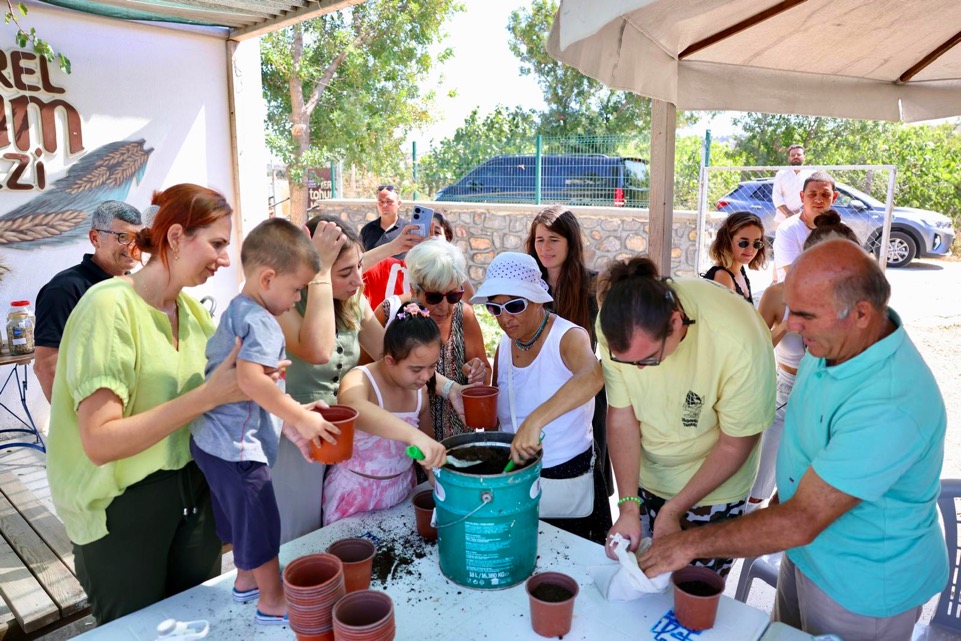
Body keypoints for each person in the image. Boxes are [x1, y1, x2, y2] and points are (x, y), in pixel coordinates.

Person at [639, 239, 948, 641]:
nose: (791, 325)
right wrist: (782, 503)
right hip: (807, 554)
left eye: (804, 315)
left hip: (864, 587)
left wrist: (687, 545)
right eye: (791, 309)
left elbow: (803, 520)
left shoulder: (890, 402)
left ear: (860, 314)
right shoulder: (836, 342)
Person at [46, 184, 262, 623]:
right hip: (123, 508)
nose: (224, 259)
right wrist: (209, 394)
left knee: (198, 622)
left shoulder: (193, 313)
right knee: (137, 630)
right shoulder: (109, 306)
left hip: (194, 497)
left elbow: (216, 404)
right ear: (177, 236)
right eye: (217, 244)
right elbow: (100, 441)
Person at [272, 214, 468, 543]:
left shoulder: (353, 302)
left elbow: (394, 360)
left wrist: (450, 389)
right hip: (298, 438)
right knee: (300, 537)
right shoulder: (285, 307)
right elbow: (319, 350)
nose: (360, 282)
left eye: (360, 267)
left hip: (348, 442)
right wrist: (319, 273)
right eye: (346, 272)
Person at [189, 219, 338, 625]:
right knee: (260, 518)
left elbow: (253, 379)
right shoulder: (264, 322)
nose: (296, 300)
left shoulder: (239, 306)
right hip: (237, 448)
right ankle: (272, 600)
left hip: (209, 440)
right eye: (295, 290)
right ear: (268, 278)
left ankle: (245, 581)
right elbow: (249, 379)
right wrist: (299, 419)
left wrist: (288, 410)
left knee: (238, 518)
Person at [598, 256, 775, 575]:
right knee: (644, 585)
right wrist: (628, 506)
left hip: (714, 488)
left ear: (677, 323)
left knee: (694, 594)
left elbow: (736, 444)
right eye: (628, 363)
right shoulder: (615, 323)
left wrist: (674, 508)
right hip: (646, 476)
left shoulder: (739, 341)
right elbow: (622, 417)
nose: (638, 370)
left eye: (648, 360)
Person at [471, 252, 612, 544]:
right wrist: (480, 390)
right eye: (494, 309)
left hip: (568, 476)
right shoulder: (505, 345)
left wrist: (536, 420)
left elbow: (593, 376)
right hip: (519, 476)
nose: (505, 318)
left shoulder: (568, 337)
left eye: (515, 305)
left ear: (538, 299)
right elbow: (505, 414)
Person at [749, 211, 859, 507]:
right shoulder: (776, 295)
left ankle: (780, 553)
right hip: (785, 395)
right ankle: (745, 549)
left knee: (801, 493)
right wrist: (788, 324)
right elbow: (755, 351)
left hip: (830, 404)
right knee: (757, 487)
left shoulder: (858, 304)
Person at [326, 304, 449, 524]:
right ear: (390, 360)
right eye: (416, 369)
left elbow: (424, 447)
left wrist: (432, 469)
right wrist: (414, 435)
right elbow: (353, 407)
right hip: (355, 495)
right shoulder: (360, 379)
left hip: (401, 491)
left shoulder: (419, 392)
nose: (426, 376)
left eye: (432, 367)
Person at [526, 205, 613, 496]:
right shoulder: (526, 286)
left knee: (587, 486)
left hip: (585, 395)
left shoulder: (594, 284)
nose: (545, 247)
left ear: (570, 241)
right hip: (537, 393)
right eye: (539, 239)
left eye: (554, 239)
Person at [374, 240, 490, 441]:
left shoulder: (464, 317)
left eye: (454, 296)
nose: (444, 307)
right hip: (400, 447)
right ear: (413, 289)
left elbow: (485, 374)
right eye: (434, 297)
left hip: (454, 446)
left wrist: (476, 372)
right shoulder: (389, 314)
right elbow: (368, 376)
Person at [34, 200, 144, 402]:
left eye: (139, 238)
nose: (133, 247)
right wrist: (75, 420)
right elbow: (46, 364)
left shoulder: (137, 286)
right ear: (95, 238)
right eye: (123, 237)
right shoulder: (65, 289)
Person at [773, 171, 839, 281]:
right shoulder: (787, 229)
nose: (818, 200)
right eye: (812, 194)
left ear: (834, 197)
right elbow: (795, 276)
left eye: (825, 194)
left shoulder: (841, 230)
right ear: (802, 196)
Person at [702, 212, 766, 304]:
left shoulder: (739, 270)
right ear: (727, 241)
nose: (751, 249)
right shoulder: (723, 277)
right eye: (743, 243)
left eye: (756, 244)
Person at [772, 144, 812, 228]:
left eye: (799, 154)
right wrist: (788, 213)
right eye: (793, 155)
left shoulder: (811, 174)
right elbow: (776, 195)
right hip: (782, 219)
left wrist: (800, 211)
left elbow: (812, 195)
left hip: (804, 218)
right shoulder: (781, 174)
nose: (795, 157)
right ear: (789, 158)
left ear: (804, 156)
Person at [360, 184, 409, 250]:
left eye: (389, 201)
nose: (384, 205)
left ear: (399, 203)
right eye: (381, 202)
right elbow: (359, 257)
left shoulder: (408, 229)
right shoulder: (367, 230)